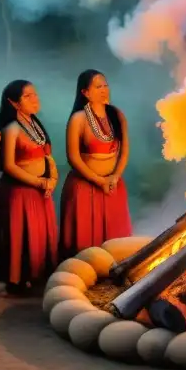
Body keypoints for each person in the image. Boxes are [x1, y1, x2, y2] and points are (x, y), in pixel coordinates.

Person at [0, 80, 58, 296]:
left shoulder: (34, 124)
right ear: (13, 102)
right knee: (21, 237)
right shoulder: (11, 129)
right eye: (28, 96)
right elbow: (9, 166)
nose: (35, 99)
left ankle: (38, 277)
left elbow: (47, 156)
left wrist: (52, 179)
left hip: (41, 191)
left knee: (40, 236)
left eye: (35, 94)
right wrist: (39, 182)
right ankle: (16, 282)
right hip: (18, 192)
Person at [58, 69, 132, 259]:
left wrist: (115, 176)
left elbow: (124, 151)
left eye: (106, 85)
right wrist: (99, 181)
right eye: (98, 86)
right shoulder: (78, 119)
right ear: (85, 92)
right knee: (86, 249)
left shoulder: (116, 115)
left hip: (113, 186)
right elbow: (73, 157)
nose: (104, 89)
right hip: (85, 188)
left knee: (115, 244)